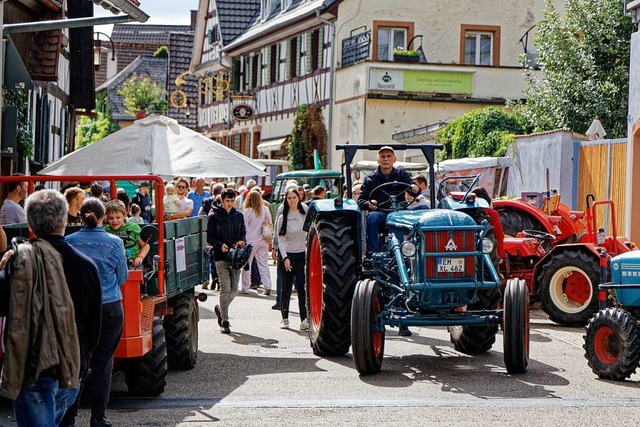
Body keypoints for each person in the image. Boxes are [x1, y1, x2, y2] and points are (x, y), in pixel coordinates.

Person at [0, 190, 102, 427]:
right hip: (71, 368)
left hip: (30, 368)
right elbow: (94, 327)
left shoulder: (17, 263)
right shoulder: (87, 266)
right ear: (65, 221)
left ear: (30, 225)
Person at [64, 198, 128, 427]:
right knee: (103, 364)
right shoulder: (115, 242)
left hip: (78, 308)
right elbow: (122, 277)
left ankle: (68, 417)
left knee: (76, 363)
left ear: (80, 216)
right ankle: (98, 418)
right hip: (109, 306)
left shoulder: (69, 241)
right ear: (103, 218)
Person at [358, 146, 417, 253]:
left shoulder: (401, 174)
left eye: (389, 156)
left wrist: (415, 188)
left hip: (401, 212)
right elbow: (361, 200)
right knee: (372, 217)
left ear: (394, 159)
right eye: (383, 156)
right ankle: (372, 253)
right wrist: (369, 204)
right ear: (378, 159)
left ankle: (416, 251)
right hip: (382, 213)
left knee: (422, 213)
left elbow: (413, 189)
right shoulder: (370, 179)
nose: (386, 159)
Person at [207, 188, 247, 334]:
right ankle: (225, 321)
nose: (230, 204)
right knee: (225, 288)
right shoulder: (214, 217)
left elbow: (243, 233)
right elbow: (209, 237)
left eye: (232, 201)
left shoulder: (239, 216)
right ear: (222, 201)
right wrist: (219, 245)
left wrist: (242, 241)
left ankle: (220, 309)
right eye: (227, 201)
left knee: (234, 290)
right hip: (220, 256)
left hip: (236, 256)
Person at [276, 187, 309, 331]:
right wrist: (285, 258)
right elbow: (280, 239)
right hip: (287, 255)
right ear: (286, 199)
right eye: (289, 198)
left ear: (299, 198)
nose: (292, 200)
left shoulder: (304, 212)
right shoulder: (283, 216)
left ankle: (304, 319)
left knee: (302, 288)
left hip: (302, 255)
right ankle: (285, 318)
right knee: (286, 289)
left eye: (294, 197)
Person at [241, 190, 273, 295]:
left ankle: (245, 288)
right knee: (263, 264)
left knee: (247, 265)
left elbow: (245, 227)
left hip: (250, 241)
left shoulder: (247, 211)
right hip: (263, 240)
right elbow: (270, 224)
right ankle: (267, 285)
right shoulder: (265, 209)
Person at [104, 200, 150, 267]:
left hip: (132, 262)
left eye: (118, 217)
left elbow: (145, 245)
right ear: (107, 218)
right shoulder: (105, 230)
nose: (114, 221)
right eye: (111, 218)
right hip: (112, 263)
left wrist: (140, 257)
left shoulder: (133, 227)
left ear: (124, 215)